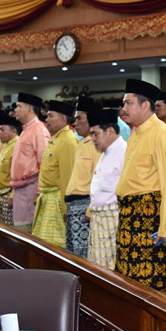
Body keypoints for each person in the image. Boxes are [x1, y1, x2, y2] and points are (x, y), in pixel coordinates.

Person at [116, 78, 166, 296]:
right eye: (123, 104)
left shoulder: (163, 135)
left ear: (145, 105)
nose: (123, 109)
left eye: (128, 103)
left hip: (150, 218)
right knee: (129, 281)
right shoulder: (137, 133)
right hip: (130, 217)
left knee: (151, 285)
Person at [32, 101, 78, 247]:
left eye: (51, 116)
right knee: (42, 245)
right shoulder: (56, 138)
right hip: (47, 199)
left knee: (54, 246)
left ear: (63, 118)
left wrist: (66, 209)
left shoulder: (68, 140)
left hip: (57, 202)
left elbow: (68, 178)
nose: (46, 120)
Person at [88, 108, 127, 269]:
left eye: (95, 134)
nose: (92, 139)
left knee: (109, 269)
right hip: (99, 220)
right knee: (97, 267)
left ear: (110, 132)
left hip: (112, 220)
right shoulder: (105, 152)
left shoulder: (123, 151)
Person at [64, 97, 102, 258]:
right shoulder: (81, 144)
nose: (75, 123)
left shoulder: (97, 145)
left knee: (84, 257)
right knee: (72, 256)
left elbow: (98, 181)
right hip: (73, 206)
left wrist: (89, 209)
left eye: (79, 118)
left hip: (85, 208)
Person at [10, 93, 50, 232]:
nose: (15, 109)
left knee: (28, 236)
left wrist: (38, 192)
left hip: (31, 189)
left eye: (19, 106)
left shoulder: (39, 130)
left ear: (29, 109)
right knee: (19, 233)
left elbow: (44, 163)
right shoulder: (26, 130)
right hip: (21, 189)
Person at [0, 115, 21, 227]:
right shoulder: (6, 145)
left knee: (9, 230)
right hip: (0, 194)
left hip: (8, 195)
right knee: (1, 229)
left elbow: (18, 174)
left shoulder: (17, 146)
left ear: (13, 131)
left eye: (2, 130)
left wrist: (12, 196)